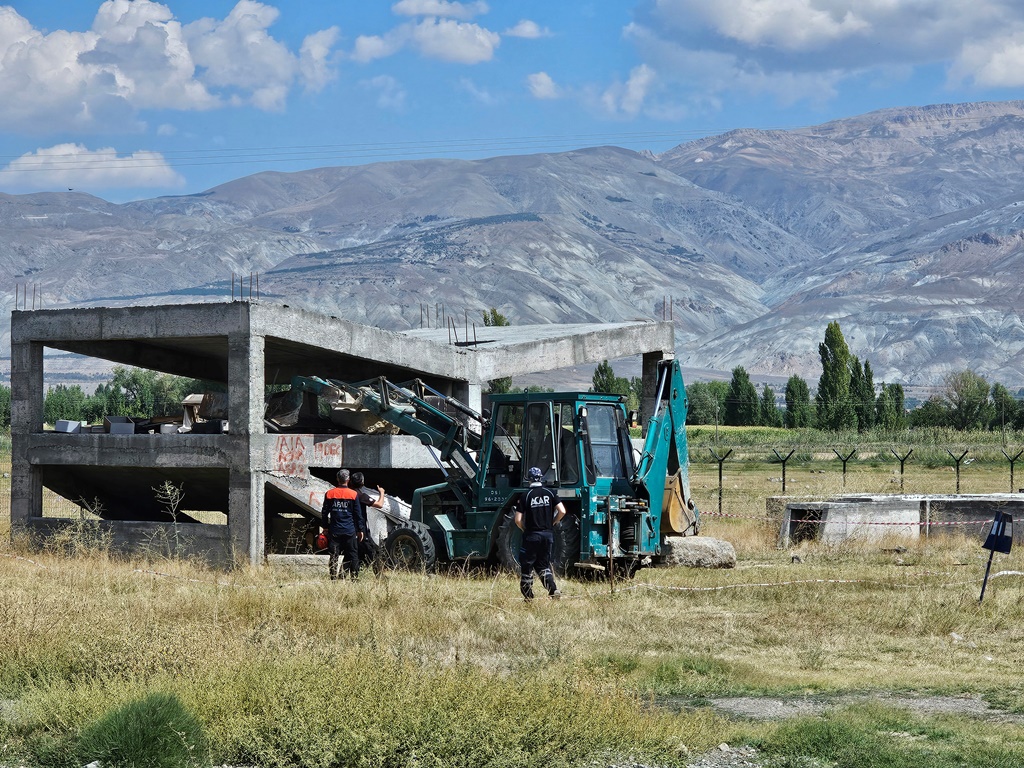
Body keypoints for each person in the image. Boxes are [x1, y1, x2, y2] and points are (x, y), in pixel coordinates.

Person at [514, 466, 567, 601]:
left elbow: (518, 520)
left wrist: (524, 529)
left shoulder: (525, 496)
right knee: (543, 565)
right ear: (541, 478)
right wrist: (553, 522)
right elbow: (562, 511)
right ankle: (553, 590)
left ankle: (528, 597)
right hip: (547, 535)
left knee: (527, 565)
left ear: (529, 479)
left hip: (532, 535)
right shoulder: (550, 493)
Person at [320, 469, 366, 580]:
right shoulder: (353, 494)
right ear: (348, 480)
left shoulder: (330, 494)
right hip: (349, 531)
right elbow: (358, 514)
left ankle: (333, 579)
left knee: (334, 556)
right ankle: (354, 579)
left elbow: (324, 513)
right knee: (353, 555)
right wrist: (360, 530)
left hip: (334, 532)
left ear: (337, 479)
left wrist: (325, 527)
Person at [350, 471, 386, 568]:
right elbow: (379, 504)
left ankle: (343, 574)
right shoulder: (361, 496)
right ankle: (379, 575)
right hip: (361, 529)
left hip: (350, 528)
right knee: (372, 552)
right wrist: (382, 493)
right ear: (362, 482)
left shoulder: (349, 494)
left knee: (351, 553)